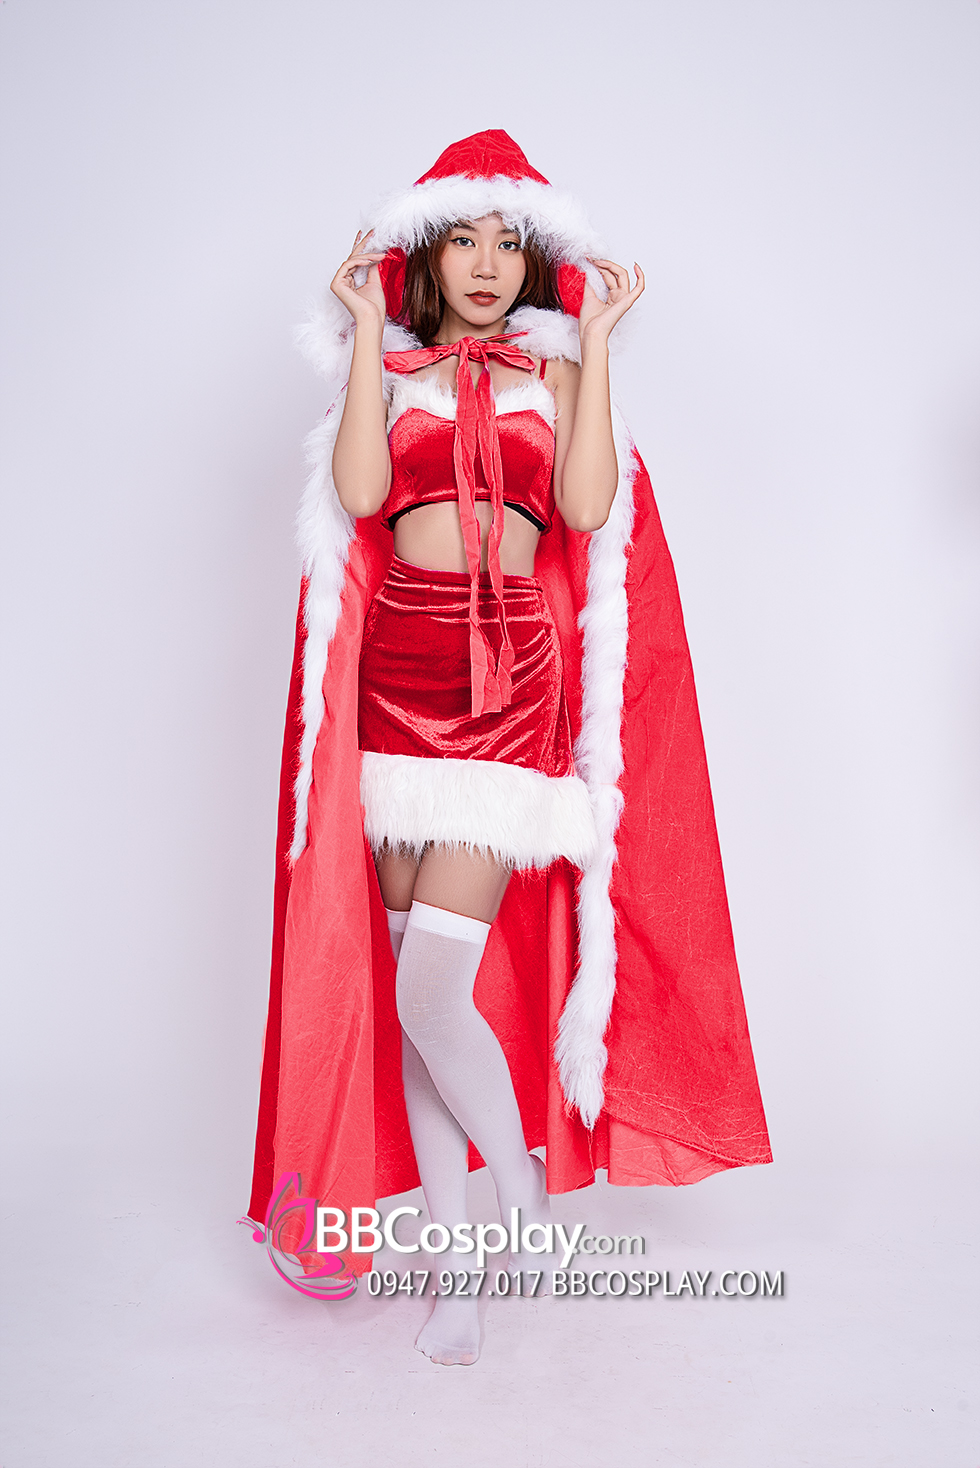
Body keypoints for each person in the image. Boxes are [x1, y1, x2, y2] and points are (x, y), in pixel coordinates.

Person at [248, 132, 771, 1367]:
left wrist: (595, 344)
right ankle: (457, 1274)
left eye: (505, 242)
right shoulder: (395, 370)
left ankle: (521, 1190)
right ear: (426, 255)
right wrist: (363, 332)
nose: (484, 263)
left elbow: (584, 510)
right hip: (398, 677)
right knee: (413, 1003)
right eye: (461, 240)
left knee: (434, 989)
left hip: (505, 687)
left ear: (531, 262)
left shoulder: (554, 375)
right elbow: (362, 496)